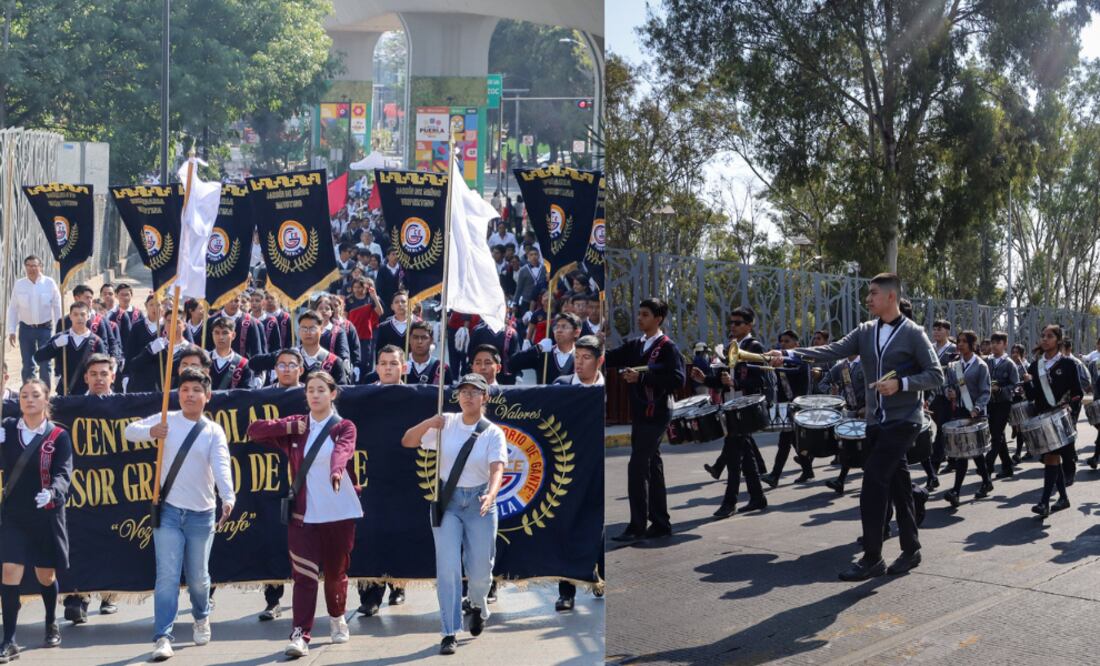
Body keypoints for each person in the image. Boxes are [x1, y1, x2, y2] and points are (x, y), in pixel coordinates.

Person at [766, 273, 943, 581]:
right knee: (900, 487)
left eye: (873, 293)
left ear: (891, 296)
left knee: (873, 481)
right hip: (874, 421)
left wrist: (901, 384)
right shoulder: (865, 331)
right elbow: (831, 350)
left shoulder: (914, 333)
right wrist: (791, 354)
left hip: (904, 422)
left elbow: (936, 375)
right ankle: (911, 549)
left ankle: (873, 557)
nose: (868, 298)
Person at [247, 371, 361, 657]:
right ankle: (300, 634)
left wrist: (336, 471)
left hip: (338, 511)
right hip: (303, 516)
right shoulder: (297, 426)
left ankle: (337, 618)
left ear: (333, 394)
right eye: (310, 389)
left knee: (336, 573)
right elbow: (255, 431)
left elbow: (344, 451)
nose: (315, 394)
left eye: (321, 390)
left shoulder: (343, 426)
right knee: (304, 577)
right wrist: (288, 428)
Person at [124, 368, 235, 661]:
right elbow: (128, 431)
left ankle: (201, 614)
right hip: (169, 511)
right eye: (184, 389)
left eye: (196, 390)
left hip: (202, 513)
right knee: (167, 576)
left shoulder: (213, 430)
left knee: (198, 577)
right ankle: (162, 636)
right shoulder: (167, 419)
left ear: (207, 396)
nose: (189, 395)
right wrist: (151, 432)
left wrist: (228, 496)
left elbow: (221, 466)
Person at [401, 374, 508, 655]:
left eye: (475, 392)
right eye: (463, 391)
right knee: (447, 568)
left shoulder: (492, 432)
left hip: (480, 502)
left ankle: (477, 604)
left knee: (481, 570)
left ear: (485, 397)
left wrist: (492, 494)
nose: (468, 396)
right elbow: (408, 441)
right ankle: (449, 630)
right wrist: (428, 423)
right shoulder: (445, 422)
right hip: (447, 500)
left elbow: (498, 469)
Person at [0, 379, 72, 661]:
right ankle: (9, 640)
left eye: (35, 395)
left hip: (45, 513)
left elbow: (64, 473)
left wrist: (53, 492)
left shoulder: (58, 436)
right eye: (24, 395)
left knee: (46, 574)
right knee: (9, 570)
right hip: (15, 513)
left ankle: (51, 620)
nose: (28, 399)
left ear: (46, 400)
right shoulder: (7, 429)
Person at [605, 298, 685, 541]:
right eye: (639, 313)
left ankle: (637, 525)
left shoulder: (667, 347)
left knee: (637, 466)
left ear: (658, 319)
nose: (639, 318)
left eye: (645, 314)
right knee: (652, 464)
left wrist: (641, 378)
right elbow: (608, 357)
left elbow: (678, 380)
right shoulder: (636, 345)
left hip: (659, 412)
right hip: (640, 413)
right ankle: (661, 522)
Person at [61, 354, 120, 623]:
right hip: (81, 488)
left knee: (112, 541)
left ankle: (109, 594)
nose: (99, 378)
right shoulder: (70, 406)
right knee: (78, 543)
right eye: (93, 374)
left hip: (117, 487)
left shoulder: (126, 405)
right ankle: (77, 598)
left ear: (113, 376)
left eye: (103, 373)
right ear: (85, 377)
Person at [692, 308, 768, 516]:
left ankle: (730, 502)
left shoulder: (754, 347)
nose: (732, 326)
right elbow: (722, 381)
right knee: (745, 455)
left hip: (745, 409)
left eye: (737, 322)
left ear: (749, 325)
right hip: (731, 408)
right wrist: (704, 379)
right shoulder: (729, 348)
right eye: (731, 322)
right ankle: (757, 497)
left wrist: (736, 382)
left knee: (734, 458)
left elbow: (759, 381)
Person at [551, 335, 604, 612]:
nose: (579, 363)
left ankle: (600, 578)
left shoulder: (604, 389)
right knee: (568, 528)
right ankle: (566, 591)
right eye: (577, 357)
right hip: (569, 470)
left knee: (602, 528)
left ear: (599, 361)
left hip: (600, 469)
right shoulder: (561, 386)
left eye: (586, 358)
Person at [356, 346, 407, 616]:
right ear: (376, 367)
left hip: (403, 474)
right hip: (370, 473)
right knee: (369, 534)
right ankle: (370, 595)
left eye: (394, 363)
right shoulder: (363, 395)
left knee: (400, 532)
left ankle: (398, 586)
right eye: (383, 363)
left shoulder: (415, 396)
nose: (388, 368)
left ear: (404, 367)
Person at [1023, 324, 1083, 517]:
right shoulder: (1035, 365)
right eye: (1043, 336)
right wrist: (1027, 383)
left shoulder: (1068, 364)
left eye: (1049, 336)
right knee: (1052, 459)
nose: (1045, 339)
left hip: (1060, 419)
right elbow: (1033, 395)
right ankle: (1063, 498)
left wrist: (1069, 407)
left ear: (1058, 340)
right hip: (1042, 419)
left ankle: (1043, 503)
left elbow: (1078, 393)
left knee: (1051, 458)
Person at [941, 330, 993, 508]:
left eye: (964, 341)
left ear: (972, 344)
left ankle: (956, 491)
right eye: (959, 341)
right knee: (973, 450)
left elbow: (986, 391)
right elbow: (948, 385)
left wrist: (977, 408)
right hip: (960, 410)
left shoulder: (980, 365)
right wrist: (949, 392)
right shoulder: (954, 365)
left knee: (966, 451)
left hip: (975, 412)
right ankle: (986, 481)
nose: (960, 344)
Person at [761, 330, 816, 487]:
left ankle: (775, 476)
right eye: (781, 342)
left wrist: (777, 366)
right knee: (792, 440)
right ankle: (807, 470)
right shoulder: (782, 361)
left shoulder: (801, 358)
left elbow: (793, 371)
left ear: (796, 344)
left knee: (785, 441)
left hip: (799, 406)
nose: (783, 344)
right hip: (787, 406)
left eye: (787, 341)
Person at [250, 312, 350, 385]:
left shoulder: (334, 362)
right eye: (304, 328)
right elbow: (254, 363)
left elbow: (342, 392)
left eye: (312, 328)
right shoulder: (287, 356)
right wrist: (280, 359)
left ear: (322, 330)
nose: (308, 332)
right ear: (299, 331)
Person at [5, 256, 62, 382]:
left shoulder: (49, 283)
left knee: (45, 363)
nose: (32, 268)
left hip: (45, 329)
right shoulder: (19, 285)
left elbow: (57, 307)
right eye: (29, 266)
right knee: (27, 364)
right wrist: (12, 330)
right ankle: (28, 393)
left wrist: (60, 329)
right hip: (26, 329)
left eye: (34, 265)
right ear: (25, 267)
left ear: (40, 266)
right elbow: (13, 308)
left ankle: (45, 394)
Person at [33, 301, 107, 396]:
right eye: (75, 314)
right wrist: (54, 345)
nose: (79, 317)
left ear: (88, 316)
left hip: (88, 393)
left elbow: (103, 368)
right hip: (65, 391)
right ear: (70, 317)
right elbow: (38, 357)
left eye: (83, 314)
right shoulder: (61, 338)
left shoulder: (96, 341)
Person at [821, 355, 866, 493]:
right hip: (850, 412)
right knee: (848, 447)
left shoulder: (866, 363)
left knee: (869, 448)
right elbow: (823, 383)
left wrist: (869, 405)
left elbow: (875, 386)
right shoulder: (841, 366)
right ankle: (840, 481)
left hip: (867, 411)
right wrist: (832, 392)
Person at [985, 332, 1020, 478]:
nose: (994, 345)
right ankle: (1007, 466)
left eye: (998, 342)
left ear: (1005, 344)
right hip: (989, 403)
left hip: (1003, 403)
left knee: (996, 434)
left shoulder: (1009, 363)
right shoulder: (987, 361)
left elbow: (1016, 386)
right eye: (992, 342)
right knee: (998, 435)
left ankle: (988, 465)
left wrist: (1000, 390)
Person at [510, 313, 581, 384]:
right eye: (557, 327)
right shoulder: (545, 354)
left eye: (564, 327)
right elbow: (513, 363)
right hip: (545, 394)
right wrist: (537, 348)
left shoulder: (582, 356)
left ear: (576, 332)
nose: (559, 330)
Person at [928, 320, 957, 472]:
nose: (936, 332)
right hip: (933, 397)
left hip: (947, 397)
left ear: (947, 331)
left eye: (939, 329)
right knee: (944, 428)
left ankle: (934, 465)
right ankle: (952, 460)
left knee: (941, 429)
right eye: (934, 329)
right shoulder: (930, 349)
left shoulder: (953, 349)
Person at [208, 318, 259, 390]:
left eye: (225, 333)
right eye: (217, 333)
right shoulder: (203, 360)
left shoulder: (243, 364)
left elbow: (246, 394)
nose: (220, 337)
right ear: (212, 334)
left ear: (233, 335)